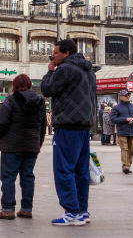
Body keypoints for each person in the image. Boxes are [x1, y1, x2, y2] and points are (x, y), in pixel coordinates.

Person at [41, 39, 96, 226]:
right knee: (81, 171)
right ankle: (82, 210)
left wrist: (50, 71)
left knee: (64, 169)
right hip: (84, 126)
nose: (52, 55)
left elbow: (47, 89)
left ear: (66, 53)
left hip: (67, 124)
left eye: (55, 52)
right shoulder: (88, 71)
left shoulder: (66, 69)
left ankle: (71, 212)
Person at [0, 74, 47, 220]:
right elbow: (43, 126)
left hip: (11, 146)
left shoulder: (10, 100)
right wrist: (38, 143)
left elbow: (1, 123)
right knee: (28, 177)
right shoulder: (40, 102)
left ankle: (8, 209)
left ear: (15, 86)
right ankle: (27, 209)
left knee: (8, 177)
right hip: (31, 145)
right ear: (29, 85)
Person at [111, 90, 133, 174]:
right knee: (125, 149)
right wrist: (125, 119)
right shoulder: (116, 108)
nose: (128, 96)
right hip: (122, 132)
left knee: (131, 150)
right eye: (125, 95)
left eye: (128, 95)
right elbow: (113, 119)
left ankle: (128, 165)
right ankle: (126, 166)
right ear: (121, 97)